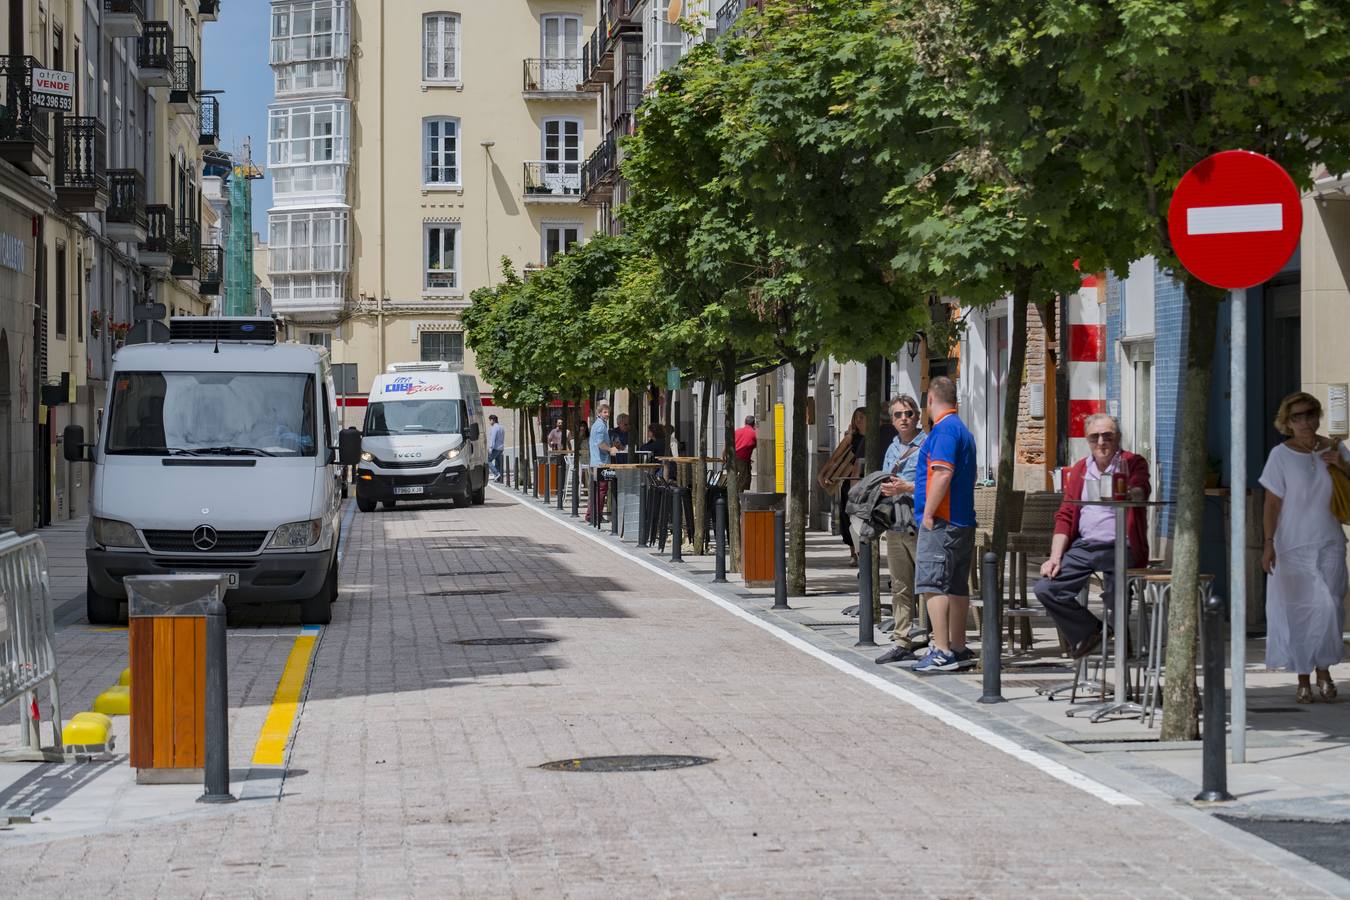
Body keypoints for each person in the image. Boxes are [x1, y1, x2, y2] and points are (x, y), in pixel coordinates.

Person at [1032, 413, 1150, 659]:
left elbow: (1142, 489)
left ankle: (1121, 644)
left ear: (1117, 438)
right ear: (1087, 440)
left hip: (1122, 545)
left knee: (1116, 592)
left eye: (1108, 435)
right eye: (1094, 437)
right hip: (1085, 546)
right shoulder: (1080, 469)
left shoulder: (1132, 462)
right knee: (1046, 588)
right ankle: (1092, 631)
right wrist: (1055, 557)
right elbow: (1065, 515)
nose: (1101, 442)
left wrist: (1130, 492)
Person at [1260, 392, 1348, 704]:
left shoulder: (1336, 448)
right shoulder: (1279, 455)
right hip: (1292, 544)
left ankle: (1323, 670)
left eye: (1310, 414)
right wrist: (1268, 544)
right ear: (1287, 422)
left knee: (1330, 608)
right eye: (1297, 417)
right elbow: (1271, 504)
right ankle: (1303, 677)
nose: (1305, 422)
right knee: (1299, 612)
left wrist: (1344, 467)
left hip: (1330, 541)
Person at [912, 377, 979, 674]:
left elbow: (942, 473)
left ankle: (941, 649)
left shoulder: (944, 431)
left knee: (931, 583)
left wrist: (928, 513)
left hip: (943, 521)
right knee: (955, 585)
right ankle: (958, 646)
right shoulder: (963, 431)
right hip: (962, 519)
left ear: (930, 400)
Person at [874, 395, 927, 664]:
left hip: (920, 524)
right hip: (895, 523)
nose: (903, 418)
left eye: (908, 413)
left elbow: (937, 484)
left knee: (929, 585)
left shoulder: (928, 444)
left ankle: (934, 640)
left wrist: (906, 487)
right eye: (898, 415)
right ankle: (901, 640)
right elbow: (885, 480)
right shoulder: (892, 447)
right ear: (892, 421)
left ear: (917, 416)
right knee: (900, 586)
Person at [840, 407, 867, 565]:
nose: (858, 420)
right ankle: (853, 553)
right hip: (849, 482)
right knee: (848, 519)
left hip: (866, 484)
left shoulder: (873, 438)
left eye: (862, 417)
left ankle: (864, 552)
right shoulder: (851, 438)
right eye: (856, 417)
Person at [587, 404, 615, 521]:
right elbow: (600, 443)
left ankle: (591, 515)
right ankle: (596, 516)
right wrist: (610, 449)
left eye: (608, 412)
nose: (607, 414)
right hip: (601, 463)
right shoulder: (600, 426)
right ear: (599, 413)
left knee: (596, 489)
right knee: (602, 490)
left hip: (597, 462)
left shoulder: (600, 424)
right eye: (604, 412)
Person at [733, 415, 757, 491]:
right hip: (741, 458)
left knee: (744, 475)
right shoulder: (754, 433)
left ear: (745, 422)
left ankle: (738, 493)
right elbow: (757, 445)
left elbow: (729, 442)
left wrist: (724, 454)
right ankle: (737, 494)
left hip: (734, 457)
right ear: (753, 423)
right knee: (744, 477)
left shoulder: (737, 431)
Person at [487, 414, 505, 482]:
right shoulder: (501, 427)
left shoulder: (494, 427)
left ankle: (496, 473)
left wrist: (490, 448)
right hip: (501, 448)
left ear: (493, 420)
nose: (489, 422)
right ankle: (499, 478)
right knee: (498, 463)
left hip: (495, 448)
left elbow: (493, 439)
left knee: (488, 461)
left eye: (490, 420)